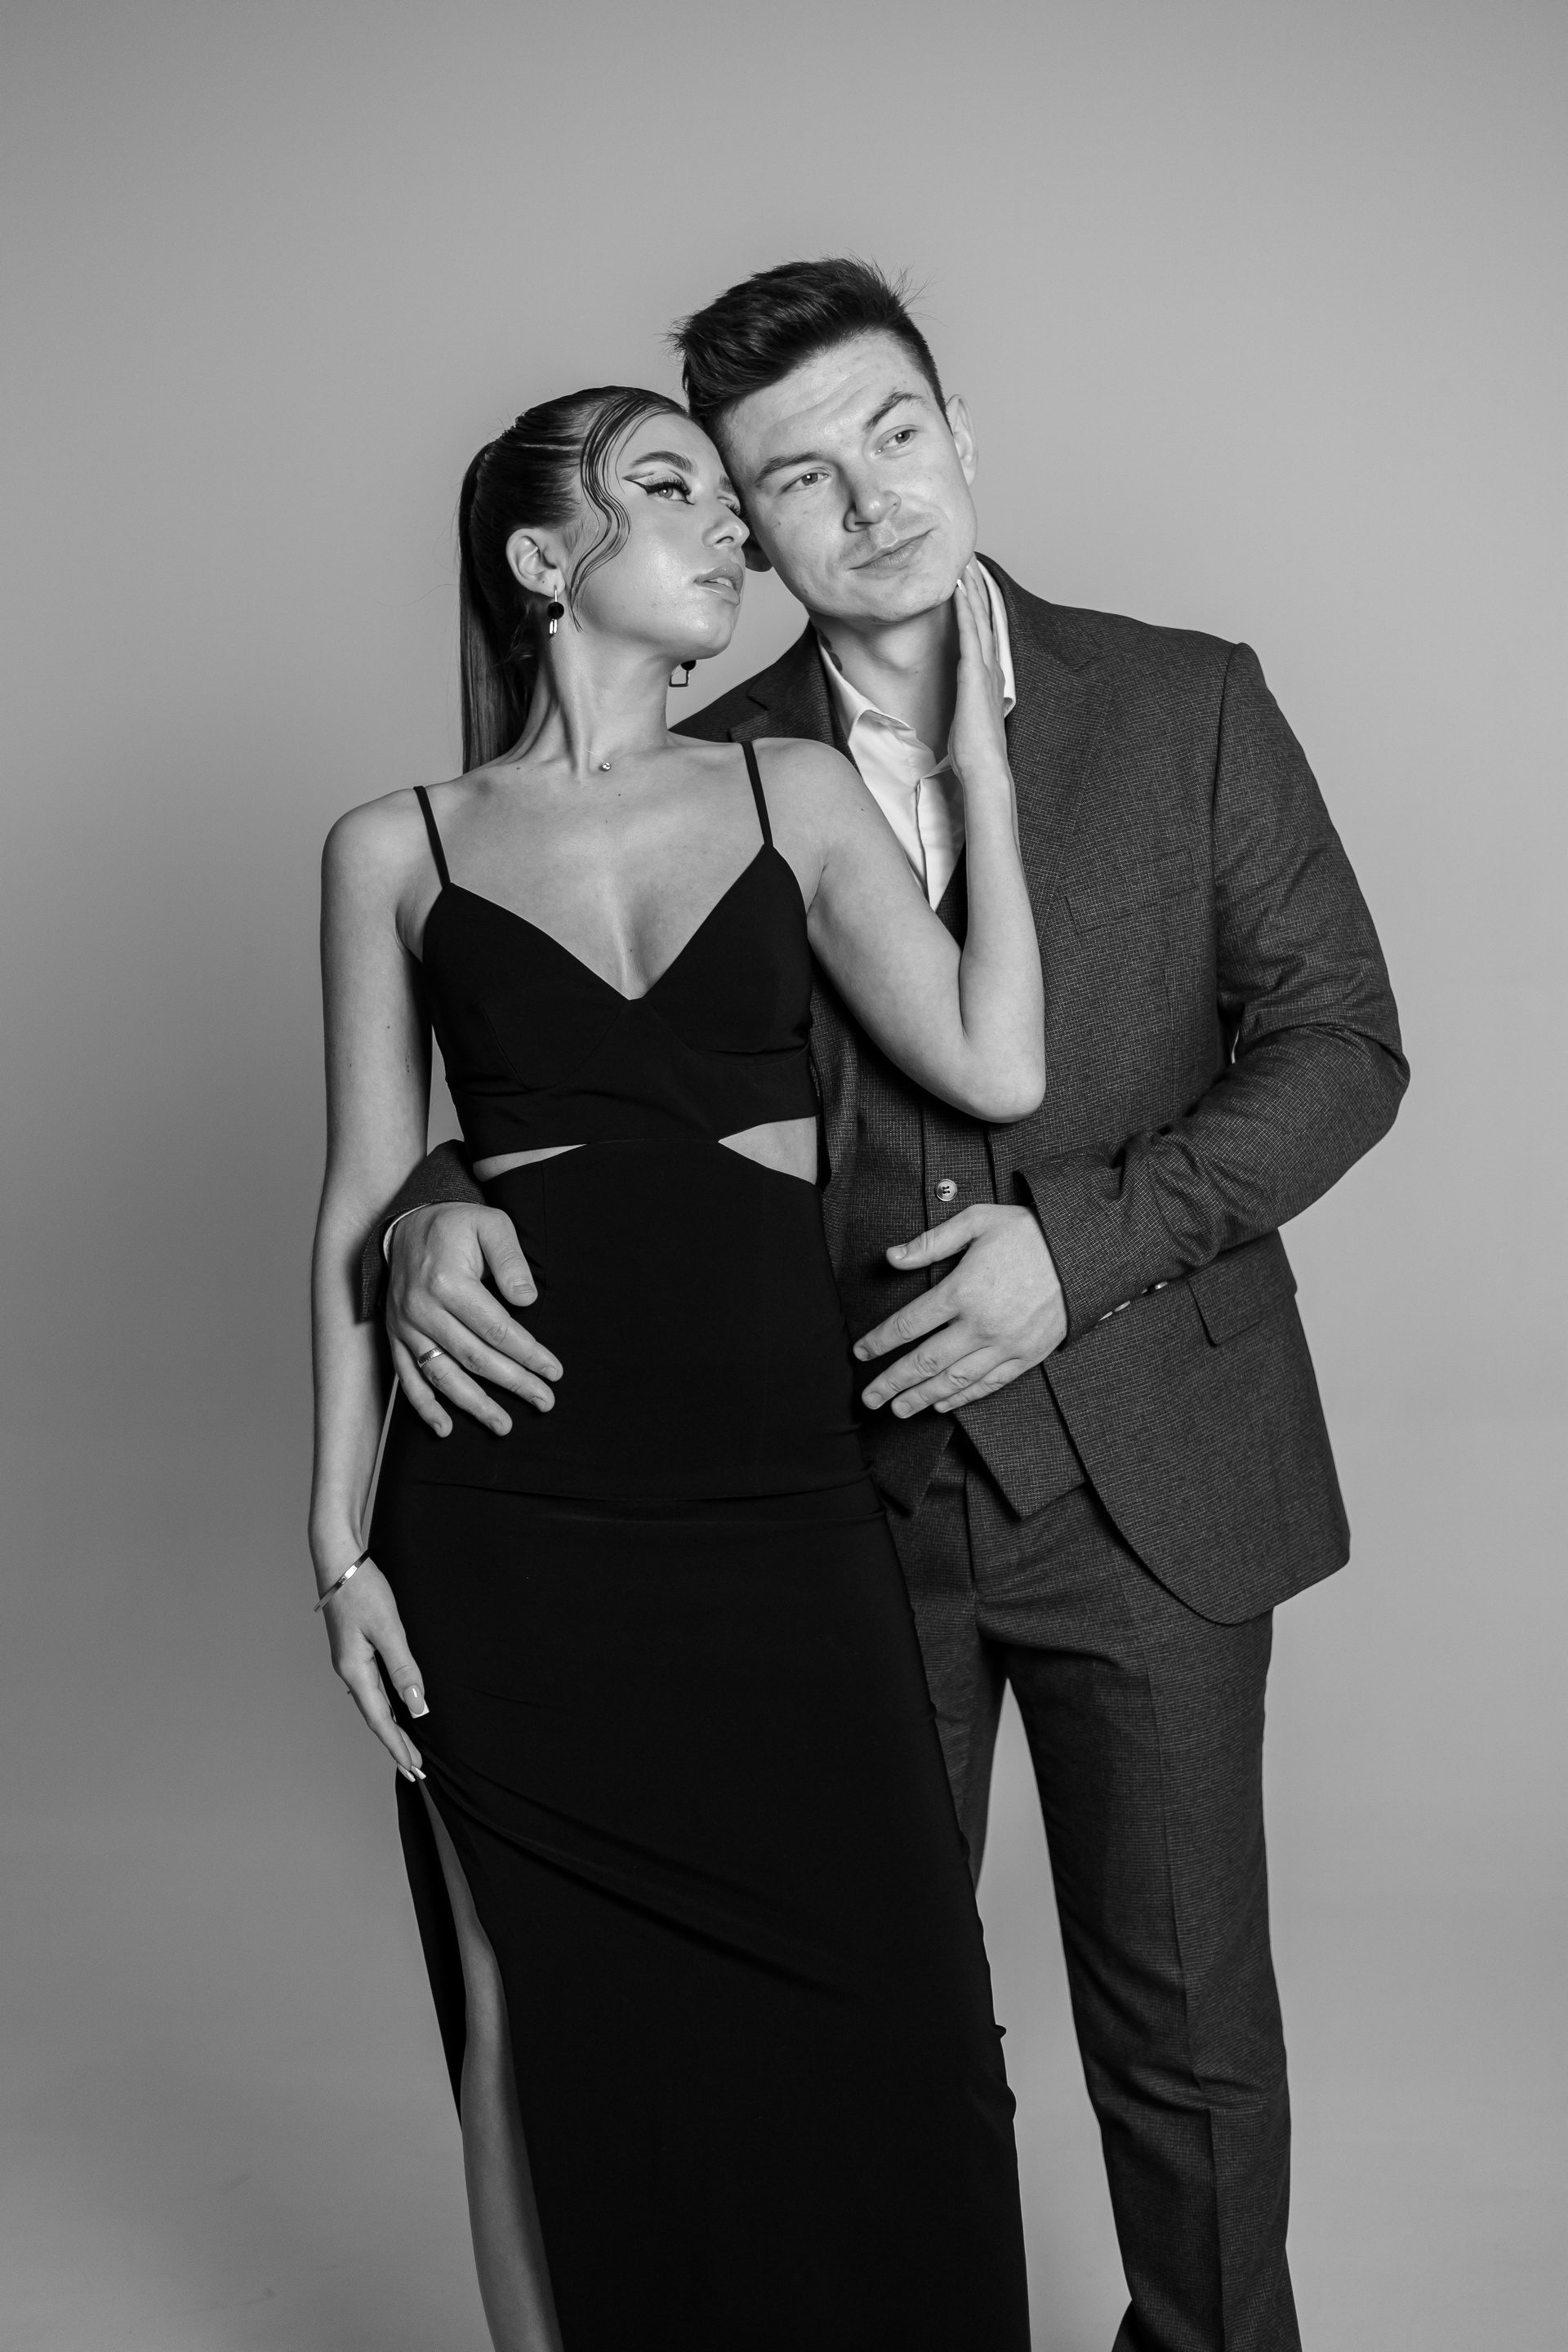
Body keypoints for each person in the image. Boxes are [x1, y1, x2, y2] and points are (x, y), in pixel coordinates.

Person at [375, 264, 1410, 2352]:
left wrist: (1075, 1257)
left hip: (1148, 1483)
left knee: (1192, 2047)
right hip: (825, 1505)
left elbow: (1341, 1050)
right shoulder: (702, 757)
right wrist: (431, 1198)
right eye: (792, 478)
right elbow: (574, 1080)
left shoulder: (1186, 700)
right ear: (746, 534)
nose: (865, 501)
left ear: (961, 434)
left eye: (896, 434)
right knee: (859, 2035)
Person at [310, 384, 1040, 2351]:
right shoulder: (393, 846)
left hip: (783, 1494)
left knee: (901, 2011)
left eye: (729, 497)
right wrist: (339, 1549)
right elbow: (358, 1198)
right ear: (543, 561)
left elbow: (997, 1065)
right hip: (506, 1515)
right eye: (671, 489)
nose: (728, 525)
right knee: (531, 2008)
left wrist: (974, 762)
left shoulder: (794, 792)